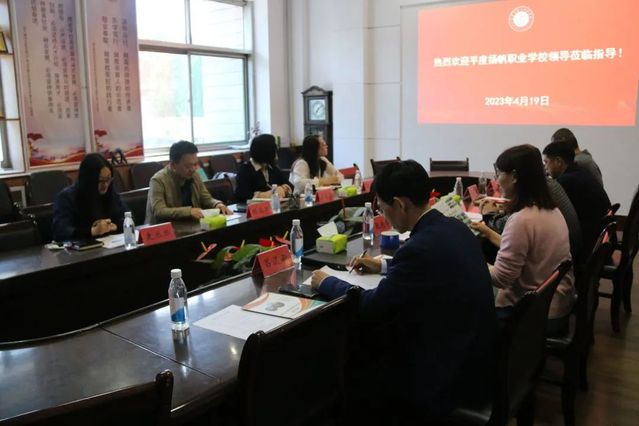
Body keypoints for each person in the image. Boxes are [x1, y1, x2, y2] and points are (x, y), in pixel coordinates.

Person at [310, 160, 496, 423]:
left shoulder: (418, 249)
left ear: (400, 204)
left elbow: (370, 306)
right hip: (476, 356)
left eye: (382, 207)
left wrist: (326, 282)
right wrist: (383, 265)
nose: (382, 214)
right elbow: (431, 270)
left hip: (446, 375)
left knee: (356, 362)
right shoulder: (454, 227)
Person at [474, 145, 574, 334]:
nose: (496, 180)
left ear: (514, 177)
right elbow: (523, 249)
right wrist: (488, 232)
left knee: (467, 293)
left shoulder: (522, 220)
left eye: (499, 174)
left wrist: (470, 260)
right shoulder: (551, 210)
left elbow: (501, 278)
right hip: (554, 301)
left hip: (532, 314)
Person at [543, 139, 611, 255]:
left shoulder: (566, 181)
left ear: (558, 161)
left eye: (546, 162)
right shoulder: (580, 172)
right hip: (600, 238)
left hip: (587, 244)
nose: (545, 167)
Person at [145, 141, 232, 224]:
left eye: (195, 164)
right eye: (187, 166)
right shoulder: (158, 180)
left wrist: (217, 204)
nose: (193, 169)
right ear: (173, 165)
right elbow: (159, 211)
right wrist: (189, 211)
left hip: (190, 225)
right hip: (164, 229)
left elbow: (206, 198)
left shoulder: (195, 174)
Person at [52, 153, 127, 241]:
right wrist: (92, 231)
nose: (106, 185)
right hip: (82, 247)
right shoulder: (66, 198)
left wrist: (116, 226)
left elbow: (127, 216)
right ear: (89, 179)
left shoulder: (110, 192)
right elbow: (61, 231)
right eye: (101, 180)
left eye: (108, 179)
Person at [234, 134, 293, 203]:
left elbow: (290, 186)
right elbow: (243, 196)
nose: (275, 154)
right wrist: (267, 194)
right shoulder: (245, 170)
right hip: (252, 208)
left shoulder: (272, 168)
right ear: (266, 152)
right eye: (273, 150)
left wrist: (283, 188)